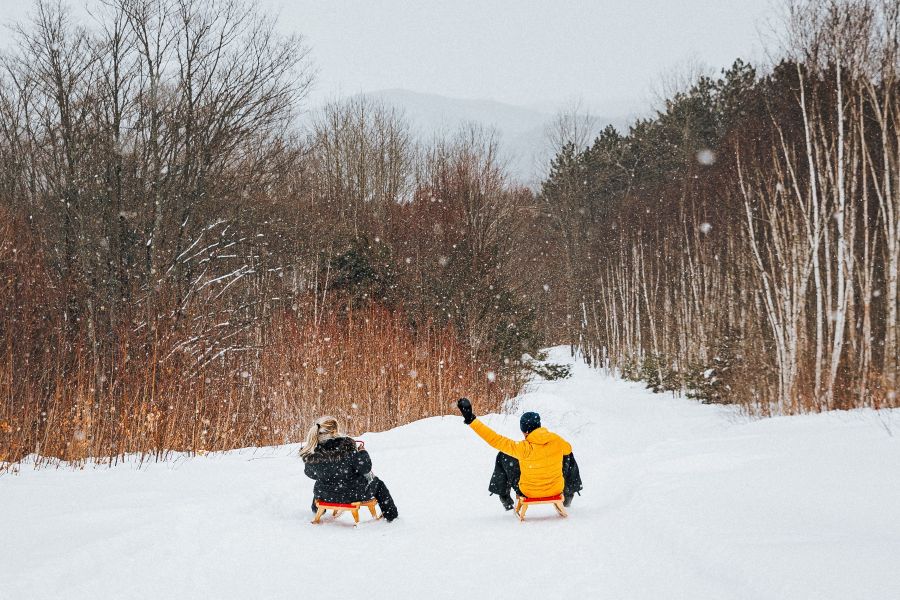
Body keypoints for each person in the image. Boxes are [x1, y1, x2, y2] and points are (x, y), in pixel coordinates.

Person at [456, 398, 582, 511]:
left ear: (525, 431)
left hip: (529, 492)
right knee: (568, 455)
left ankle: (504, 496)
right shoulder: (557, 440)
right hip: (556, 489)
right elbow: (568, 449)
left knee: (503, 455)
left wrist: (471, 419)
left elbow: (495, 439)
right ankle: (569, 492)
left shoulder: (523, 448)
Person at [300, 415, 399, 522]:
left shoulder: (313, 451)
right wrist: (363, 452)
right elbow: (365, 468)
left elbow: (310, 474)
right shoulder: (347, 445)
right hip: (352, 494)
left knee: (323, 481)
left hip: (324, 495)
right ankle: (391, 515)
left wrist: (327, 472)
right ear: (334, 431)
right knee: (378, 484)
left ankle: (316, 509)